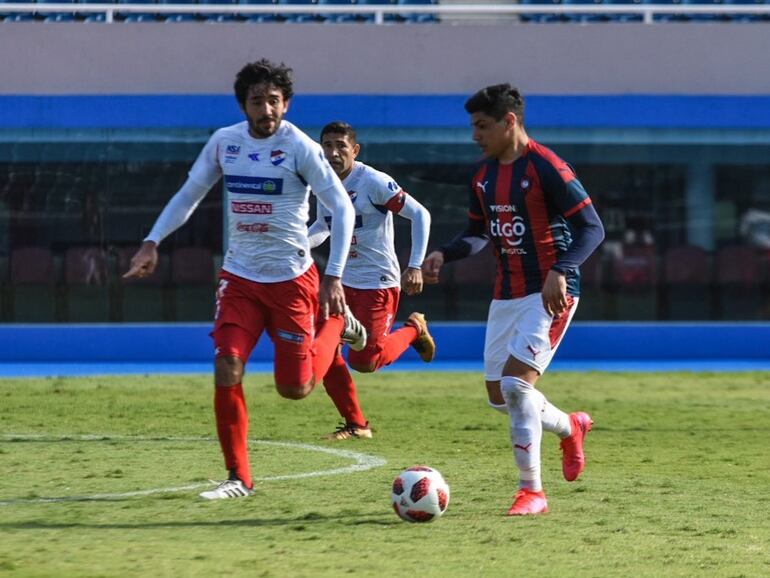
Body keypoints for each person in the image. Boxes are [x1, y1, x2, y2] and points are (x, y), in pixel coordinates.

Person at [123, 59, 367, 500]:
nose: (267, 109)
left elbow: (343, 208)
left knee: (295, 389)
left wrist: (334, 276)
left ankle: (337, 327)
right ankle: (239, 478)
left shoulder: (301, 148)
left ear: (286, 104)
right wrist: (152, 240)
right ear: (244, 105)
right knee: (226, 364)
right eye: (258, 101)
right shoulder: (224, 143)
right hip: (239, 279)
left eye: (274, 100)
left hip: (293, 280)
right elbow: (189, 195)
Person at [422, 84, 605, 516]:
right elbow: (478, 233)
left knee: (516, 386)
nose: (475, 135)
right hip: (506, 293)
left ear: (510, 121)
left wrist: (561, 271)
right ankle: (570, 426)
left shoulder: (548, 168)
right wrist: (443, 254)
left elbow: (592, 228)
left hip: (550, 292)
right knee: (499, 397)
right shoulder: (483, 176)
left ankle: (532, 493)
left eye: (482, 126)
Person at [307, 121, 435, 440]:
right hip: (339, 282)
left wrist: (415, 265)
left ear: (355, 149)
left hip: (377, 282)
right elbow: (323, 227)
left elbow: (420, 215)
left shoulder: (373, 181)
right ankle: (357, 424)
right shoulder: (321, 184)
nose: (333, 152)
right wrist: (296, 243)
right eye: (327, 145)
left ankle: (413, 329)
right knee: (326, 350)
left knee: (365, 362)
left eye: (340, 145)